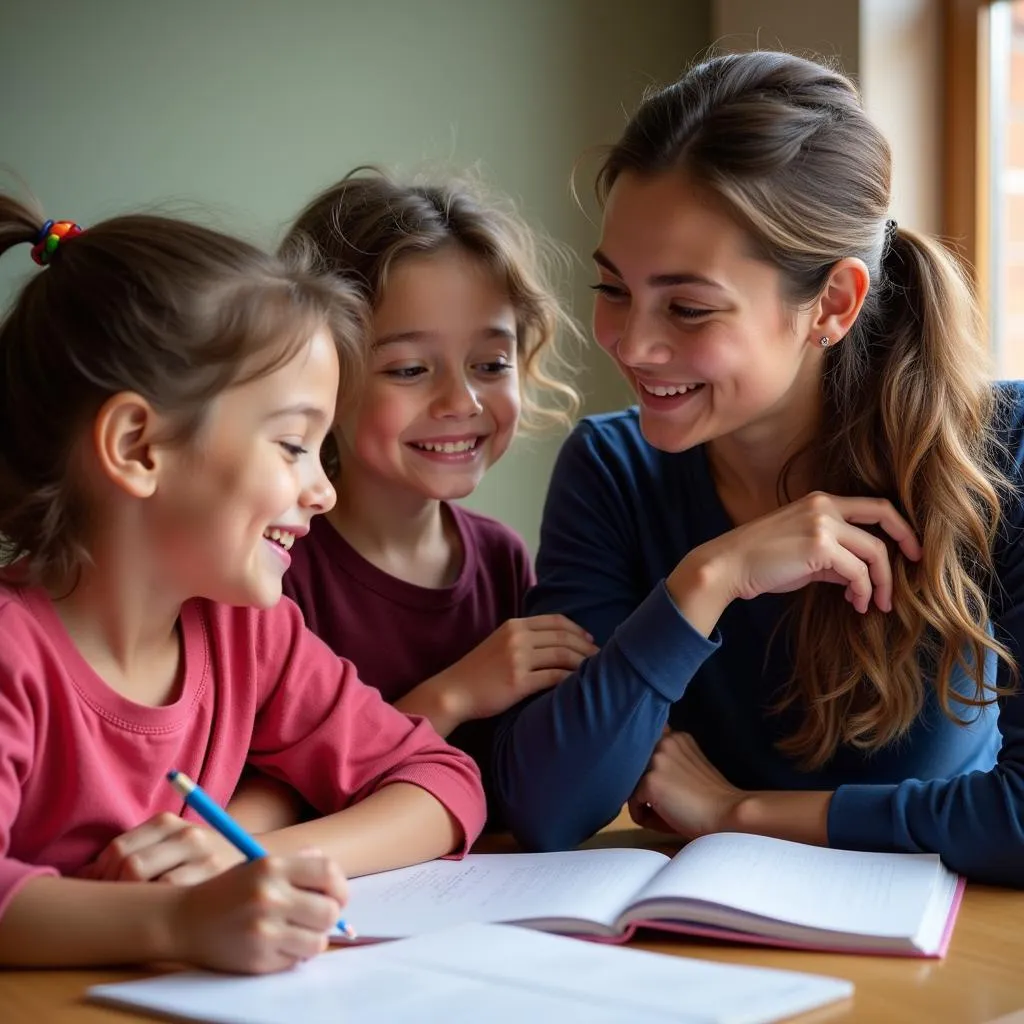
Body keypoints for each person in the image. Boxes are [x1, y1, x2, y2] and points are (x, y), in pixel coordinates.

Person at [491, 50, 1024, 887]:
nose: (632, 344)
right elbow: (548, 806)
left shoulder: (1001, 454)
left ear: (833, 304)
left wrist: (740, 812)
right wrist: (710, 577)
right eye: (614, 289)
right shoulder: (611, 470)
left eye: (689, 307)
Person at [0, 194, 485, 973]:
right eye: (293, 444)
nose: (322, 490)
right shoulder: (13, 654)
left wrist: (246, 861)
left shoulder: (248, 634)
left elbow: (442, 782)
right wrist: (176, 920)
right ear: (138, 446)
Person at [235, 170, 594, 828]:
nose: (462, 402)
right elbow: (274, 799)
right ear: (322, 375)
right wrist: (453, 695)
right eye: (408, 369)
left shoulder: (501, 560)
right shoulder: (274, 570)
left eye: (491, 364)